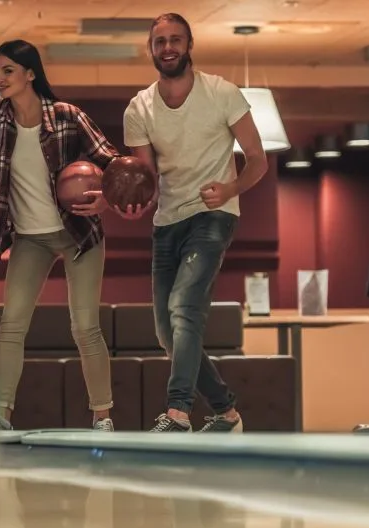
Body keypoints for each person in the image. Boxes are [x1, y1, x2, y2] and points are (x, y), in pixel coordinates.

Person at [0, 39, 128, 433]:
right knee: (11, 324)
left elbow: (112, 163)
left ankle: (103, 415)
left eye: (7, 71)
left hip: (78, 233)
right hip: (29, 237)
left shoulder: (68, 116)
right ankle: (0, 415)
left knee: (84, 326)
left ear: (30, 74)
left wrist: (107, 198)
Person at [109, 13, 268, 433]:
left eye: (175, 40)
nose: (168, 48)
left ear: (189, 44)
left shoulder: (222, 93)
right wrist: (137, 204)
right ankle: (225, 412)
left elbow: (257, 160)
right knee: (167, 332)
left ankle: (178, 412)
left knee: (184, 308)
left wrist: (230, 189)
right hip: (168, 223)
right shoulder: (139, 107)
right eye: (159, 42)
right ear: (151, 50)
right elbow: (147, 181)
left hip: (213, 216)